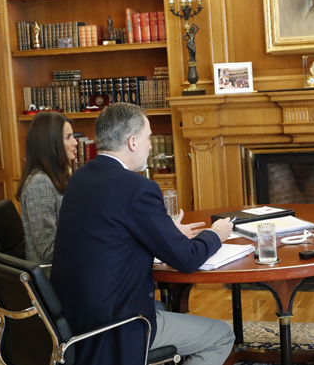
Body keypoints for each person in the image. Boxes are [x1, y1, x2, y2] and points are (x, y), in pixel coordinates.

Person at [50, 103, 235, 365]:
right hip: (117, 327)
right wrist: (216, 234)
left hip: (76, 321)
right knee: (222, 335)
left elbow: (112, 234)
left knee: (162, 308)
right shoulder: (137, 187)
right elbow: (187, 259)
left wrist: (167, 232)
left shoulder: (79, 178)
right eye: (148, 138)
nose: (150, 146)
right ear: (133, 142)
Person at [15, 112, 78, 268]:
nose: (75, 142)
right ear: (51, 143)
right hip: (52, 276)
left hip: (66, 268)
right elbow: (47, 251)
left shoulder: (56, 176)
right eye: (68, 137)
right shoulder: (40, 183)